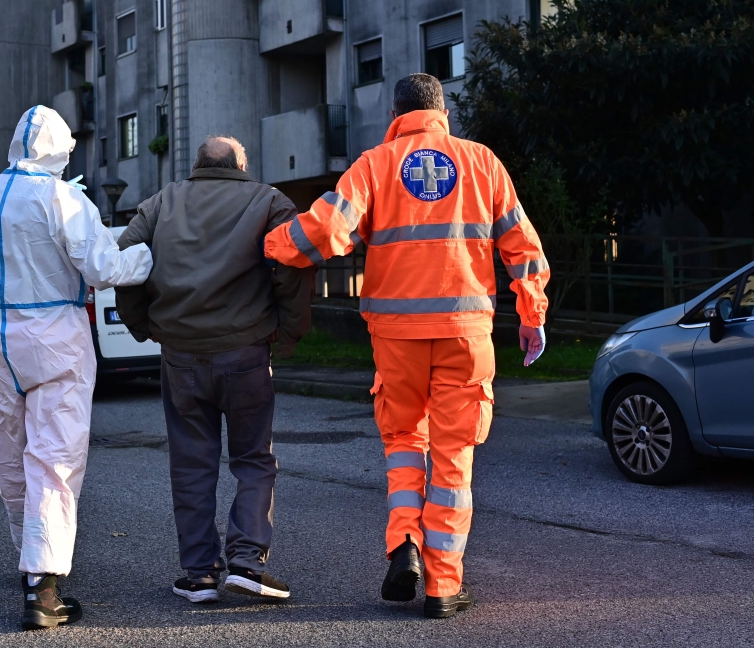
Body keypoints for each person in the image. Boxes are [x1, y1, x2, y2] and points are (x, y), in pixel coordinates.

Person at [263, 74, 549, 618]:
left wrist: (269, 244)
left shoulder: (375, 163)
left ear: (395, 113)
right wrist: (532, 312)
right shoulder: (482, 162)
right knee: (453, 460)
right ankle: (443, 586)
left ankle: (404, 546)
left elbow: (325, 231)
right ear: (442, 111)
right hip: (466, 334)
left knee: (402, 443)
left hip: (396, 337)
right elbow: (522, 245)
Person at [0, 106, 153, 630]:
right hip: (53, 333)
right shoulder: (64, 197)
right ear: (61, 149)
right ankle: (43, 589)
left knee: (6, 446)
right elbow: (102, 268)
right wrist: (145, 258)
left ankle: (27, 559)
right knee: (55, 455)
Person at [115, 136, 313, 603]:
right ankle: (246, 561)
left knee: (191, 463)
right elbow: (294, 264)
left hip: (180, 354)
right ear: (241, 164)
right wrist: (289, 333)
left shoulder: (161, 202)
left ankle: (200, 574)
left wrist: (142, 324)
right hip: (245, 351)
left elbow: (126, 260)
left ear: (199, 165)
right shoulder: (269, 201)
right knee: (253, 459)